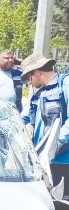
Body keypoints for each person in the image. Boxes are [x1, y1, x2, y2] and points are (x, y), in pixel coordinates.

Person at [21, 53, 69, 190]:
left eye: (28, 78)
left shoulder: (65, 84)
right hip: (43, 160)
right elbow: (21, 117)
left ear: (36, 72)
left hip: (63, 162)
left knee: (62, 206)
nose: (29, 83)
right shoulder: (39, 94)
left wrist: (57, 142)